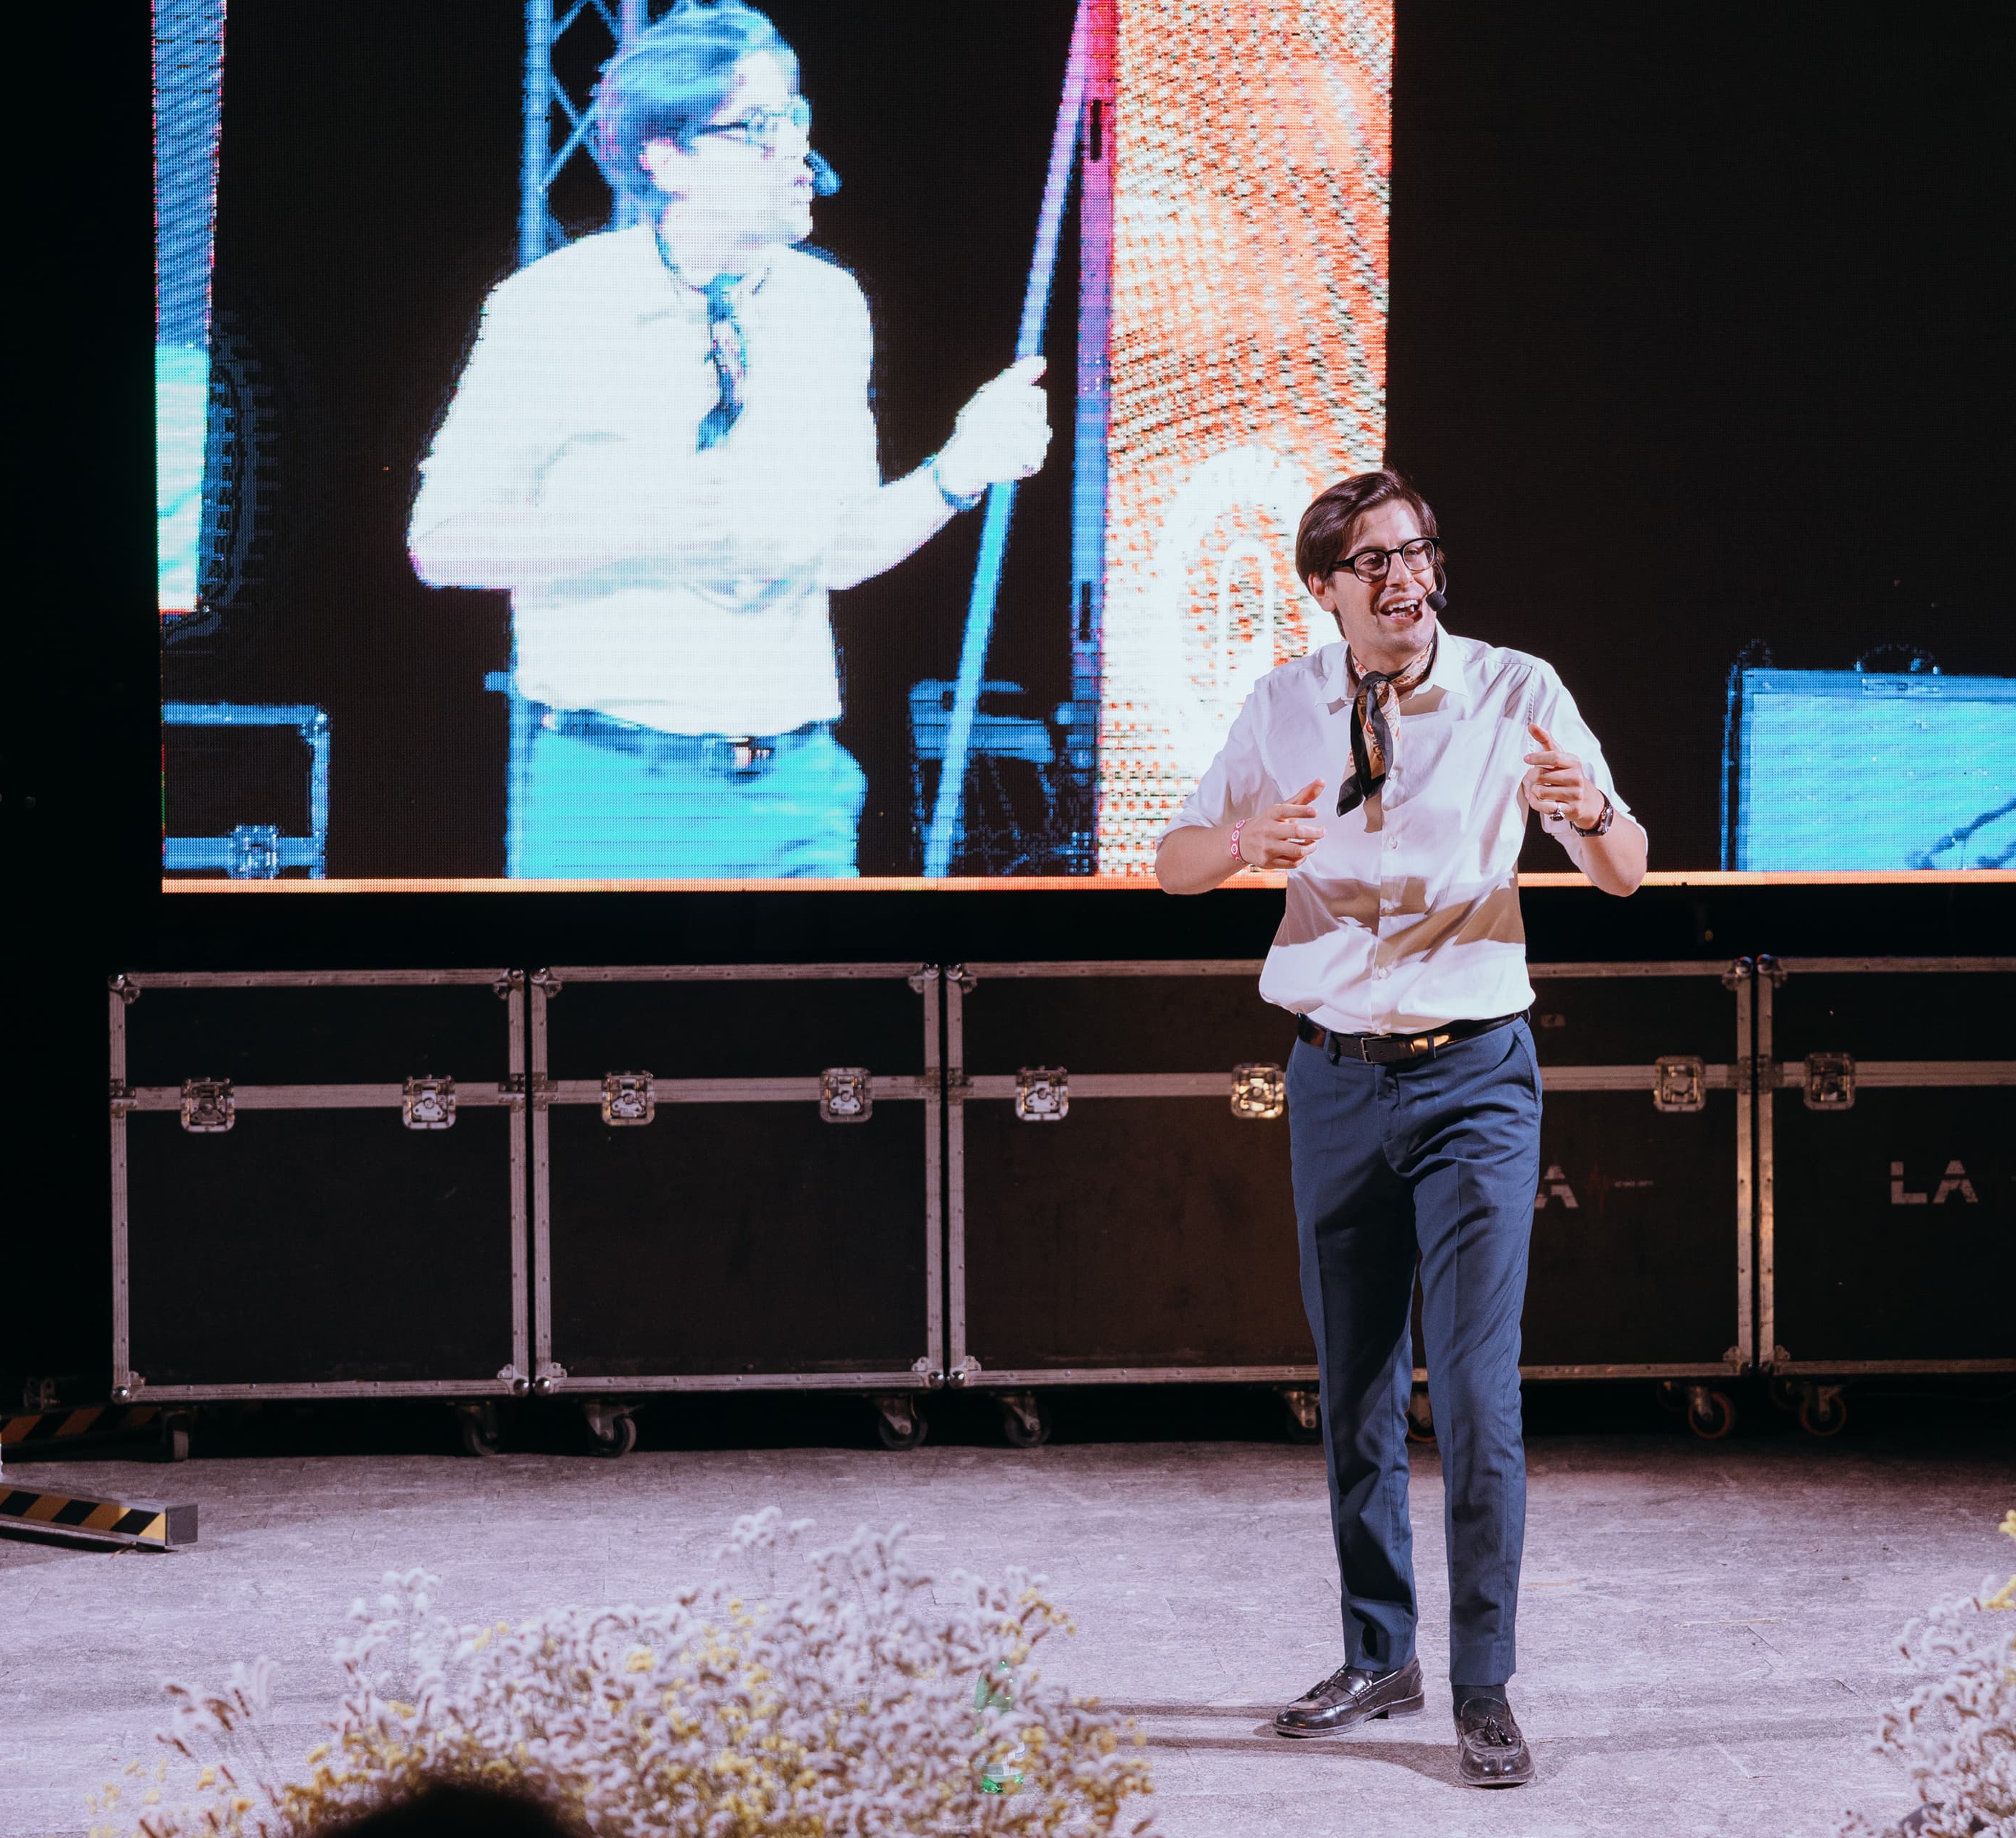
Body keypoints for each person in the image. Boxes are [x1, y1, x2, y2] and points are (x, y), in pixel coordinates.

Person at [1154, 468, 1647, 1787]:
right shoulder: (1284, 705)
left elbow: (1623, 865)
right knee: (1357, 1387)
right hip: (1333, 1078)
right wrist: (1247, 835)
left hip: (1476, 1073)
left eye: (1417, 552)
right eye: (1372, 561)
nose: (1404, 578)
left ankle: (1483, 1684)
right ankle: (1383, 1652)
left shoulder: (1513, 690)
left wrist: (1587, 811)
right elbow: (1174, 859)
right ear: (1327, 588)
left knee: (1476, 1396)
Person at [410, 1, 1049, 877]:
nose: (796, 152)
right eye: (757, 127)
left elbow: (836, 552)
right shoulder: (553, 307)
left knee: (824, 1016)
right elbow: (442, 544)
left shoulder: (829, 307)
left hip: (796, 789)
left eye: (796, 119)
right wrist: (635, 526)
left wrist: (953, 474)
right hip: (613, 791)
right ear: (665, 157)